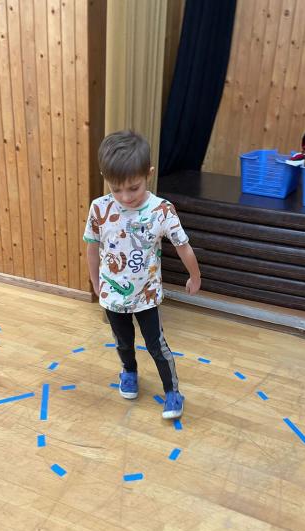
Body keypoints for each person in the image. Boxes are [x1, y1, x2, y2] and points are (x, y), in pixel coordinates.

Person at [84, 130, 201, 419]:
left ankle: (172, 391)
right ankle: (129, 372)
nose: (126, 197)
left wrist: (195, 276)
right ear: (106, 179)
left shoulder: (161, 210)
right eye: (117, 189)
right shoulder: (99, 208)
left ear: (148, 174)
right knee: (122, 342)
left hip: (146, 296)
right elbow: (91, 247)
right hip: (113, 296)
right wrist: (95, 281)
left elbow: (183, 246)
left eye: (133, 188)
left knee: (156, 346)